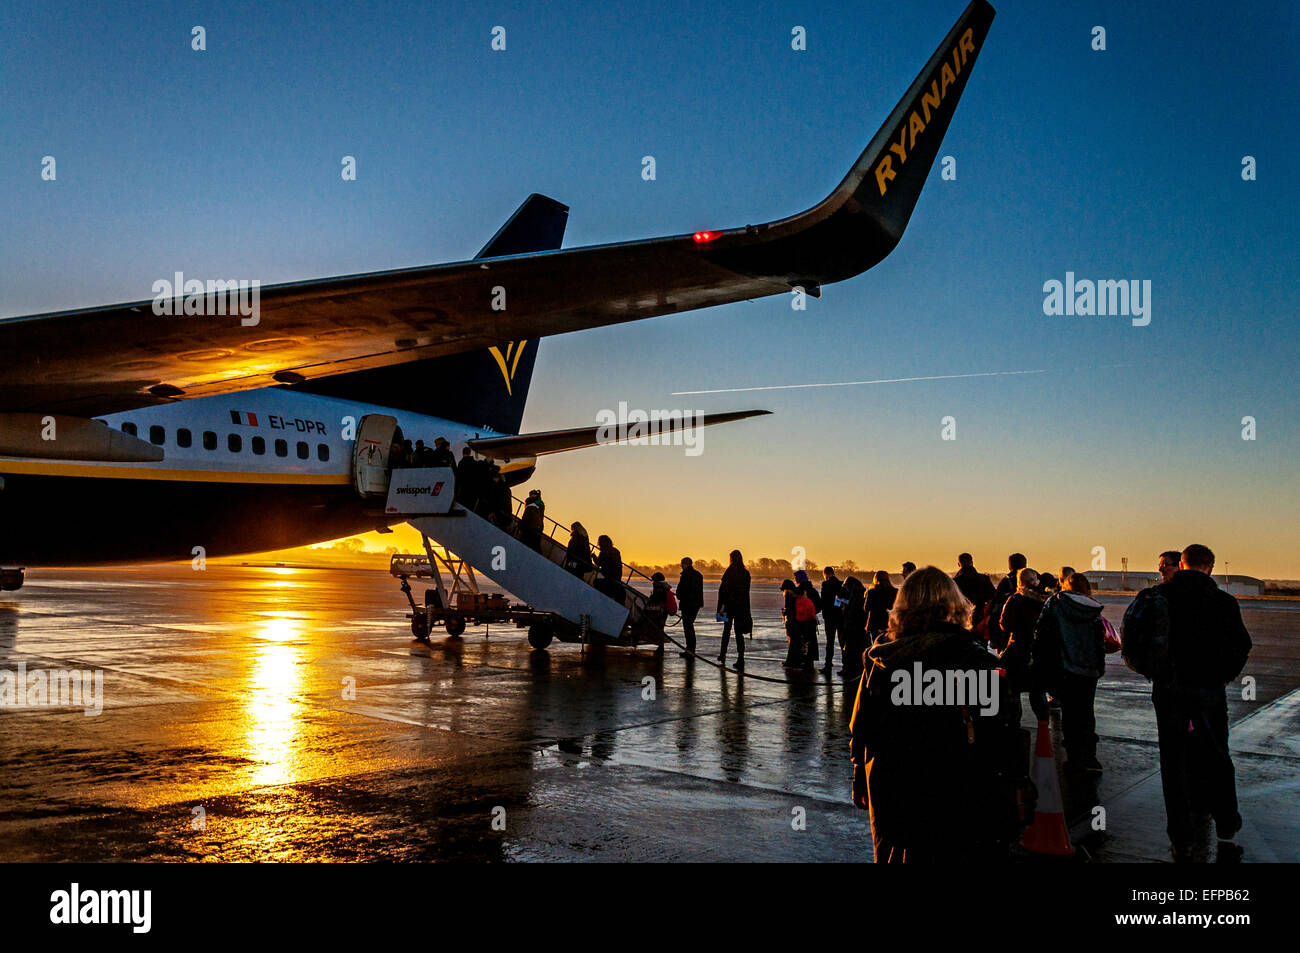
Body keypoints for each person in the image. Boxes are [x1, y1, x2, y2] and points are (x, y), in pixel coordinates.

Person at [849, 567, 1023, 862]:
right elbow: (1004, 732)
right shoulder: (978, 663)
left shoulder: (882, 661)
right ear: (956, 607)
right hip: (964, 800)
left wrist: (858, 774)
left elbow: (863, 727)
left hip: (896, 796)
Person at [1150, 544, 1252, 862]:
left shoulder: (1157, 598)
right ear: (1210, 566)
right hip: (1208, 690)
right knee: (1217, 754)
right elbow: (1241, 644)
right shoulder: (1223, 602)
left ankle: (1181, 838)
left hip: (1169, 690)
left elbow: (1136, 639)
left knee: (1174, 762)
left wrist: (1155, 673)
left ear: (1182, 564)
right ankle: (1226, 823)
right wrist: (1224, 676)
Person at [1031, 572, 1106, 773]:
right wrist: (1099, 665)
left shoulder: (1055, 604)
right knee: (1086, 712)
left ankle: (1074, 757)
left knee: (1070, 715)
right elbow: (1100, 639)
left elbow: (1041, 633)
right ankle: (1090, 755)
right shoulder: (1094, 608)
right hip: (1089, 669)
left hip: (1064, 667)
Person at [998, 568, 1049, 721]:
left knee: (1013, 690)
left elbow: (1004, 624)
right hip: (1040, 650)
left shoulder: (1015, 599)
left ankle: (1014, 725)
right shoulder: (1047, 600)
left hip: (1018, 648)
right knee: (1038, 691)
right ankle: (1043, 725)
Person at [716, 550, 751, 669]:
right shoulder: (746, 573)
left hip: (728, 606)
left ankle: (722, 654)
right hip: (741, 607)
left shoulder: (729, 571)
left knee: (726, 631)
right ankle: (740, 658)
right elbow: (745, 592)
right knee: (738, 633)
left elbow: (724, 590)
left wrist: (722, 606)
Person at [988, 553, 1027, 650]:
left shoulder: (1006, 582)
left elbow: (994, 604)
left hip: (1008, 629)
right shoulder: (1036, 581)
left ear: (1010, 566)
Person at [953, 553, 996, 629]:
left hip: (962, 618)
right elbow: (993, 597)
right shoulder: (984, 578)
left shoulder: (955, 582)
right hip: (981, 616)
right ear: (972, 563)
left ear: (959, 564)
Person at [839, 575, 868, 678]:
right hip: (858, 627)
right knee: (855, 649)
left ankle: (850, 669)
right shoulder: (861, 596)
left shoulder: (855, 598)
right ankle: (854, 669)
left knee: (851, 649)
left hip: (853, 626)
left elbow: (839, 606)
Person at [676, 557, 704, 657]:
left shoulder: (685, 575)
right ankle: (691, 649)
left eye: (682, 564)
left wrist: (679, 595)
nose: (681, 566)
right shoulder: (698, 575)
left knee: (688, 628)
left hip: (687, 604)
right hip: (695, 605)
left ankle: (690, 650)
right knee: (690, 626)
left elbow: (681, 591)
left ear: (685, 564)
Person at [794, 569, 821, 668]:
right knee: (811, 640)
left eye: (796, 577)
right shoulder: (813, 591)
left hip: (801, 621)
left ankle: (803, 660)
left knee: (802, 640)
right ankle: (810, 660)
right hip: (811, 620)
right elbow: (819, 605)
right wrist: (812, 613)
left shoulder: (798, 591)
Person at [821, 566, 845, 675]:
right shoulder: (841, 584)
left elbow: (823, 601)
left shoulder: (825, 585)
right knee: (842, 642)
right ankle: (845, 665)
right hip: (840, 616)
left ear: (826, 574)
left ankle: (828, 665)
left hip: (829, 617)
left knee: (829, 641)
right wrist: (837, 606)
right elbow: (843, 599)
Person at [865, 570, 897, 638]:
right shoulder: (894, 591)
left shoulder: (871, 592)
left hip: (874, 623)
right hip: (888, 622)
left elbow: (867, 608)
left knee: (875, 644)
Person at [595, 535, 624, 602]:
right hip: (617, 578)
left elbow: (599, 563)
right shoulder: (616, 551)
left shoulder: (603, 552)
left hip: (609, 578)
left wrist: (593, 557)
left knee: (596, 582)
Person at [780, 579, 801, 669]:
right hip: (797, 620)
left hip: (791, 620)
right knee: (796, 642)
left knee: (792, 642)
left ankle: (790, 661)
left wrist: (784, 612)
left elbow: (788, 608)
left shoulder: (787, 594)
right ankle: (796, 660)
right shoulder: (796, 594)